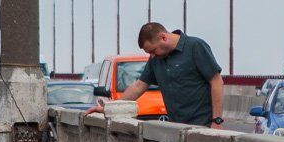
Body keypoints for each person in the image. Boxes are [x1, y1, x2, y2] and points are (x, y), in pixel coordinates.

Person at [90, 22, 225, 128]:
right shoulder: (156, 60)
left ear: (163, 37)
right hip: (176, 128)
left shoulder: (195, 47)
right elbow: (138, 87)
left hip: (203, 125)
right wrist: (109, 109)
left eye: (153, 50)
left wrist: (217, 121)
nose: (152, 56)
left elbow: (216, 81)